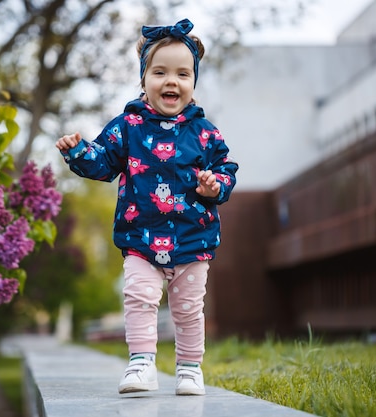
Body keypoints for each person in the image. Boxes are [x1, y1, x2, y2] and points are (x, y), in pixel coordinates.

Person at [55, 18, 238, 396]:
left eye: (182, 73)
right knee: (138, 297)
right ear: (144, 80)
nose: (171, 81)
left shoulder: (205, 133)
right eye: (160, 72)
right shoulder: (129, 126)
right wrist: (79, 151)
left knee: (188, 309)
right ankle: (141, 363)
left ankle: (189, 369)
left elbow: (226, 172)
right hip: (141, 237)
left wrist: (213, 185)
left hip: (192, 239)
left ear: (193, 82)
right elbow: (104, 162)